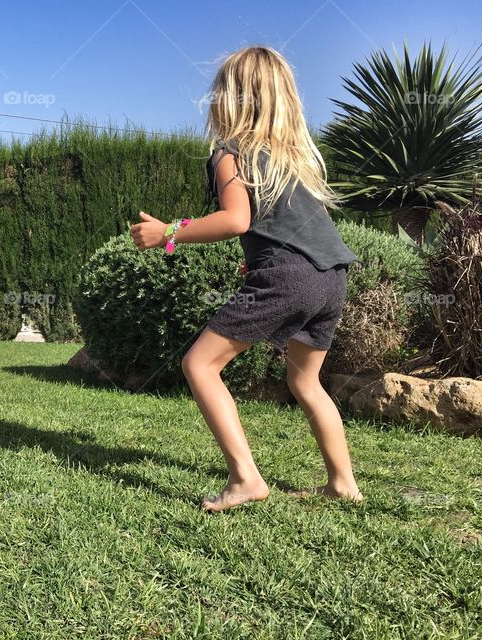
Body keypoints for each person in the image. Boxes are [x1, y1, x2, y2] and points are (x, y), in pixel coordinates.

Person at [131, 46, 362, 512]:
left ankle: (246, 479)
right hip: (331, 277)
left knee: (200, 365)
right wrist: (260, 261)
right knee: (306, 383)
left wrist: (167, 233)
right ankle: (343, 483)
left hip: (289, 276)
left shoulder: (229, 153)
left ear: (230, 98)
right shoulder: (294, 159)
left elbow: (236, 220)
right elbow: (282, 226)